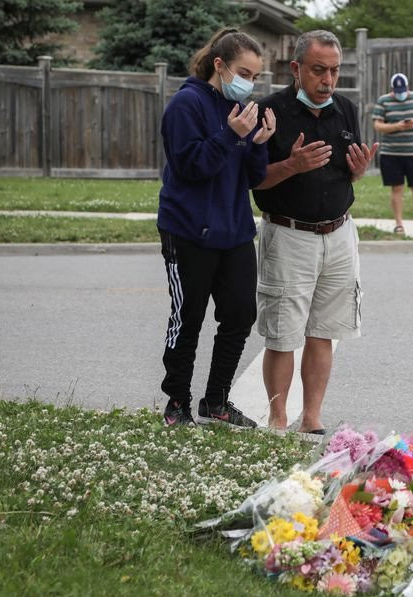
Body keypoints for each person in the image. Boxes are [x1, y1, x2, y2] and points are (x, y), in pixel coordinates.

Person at [253, 30, 378, 435]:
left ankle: (311, 417)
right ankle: (277, 418)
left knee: (324, 332)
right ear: (296, 69)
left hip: (339, 235)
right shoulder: (270, 111)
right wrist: (291, 166)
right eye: (318, 70)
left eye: (335, 71)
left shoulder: (345, 108)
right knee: (283, 334)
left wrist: (359, 171)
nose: (327, 80)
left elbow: (349, 170)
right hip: (289, 236)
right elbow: (253, 181)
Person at [157, 28, 275, 428]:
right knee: (187, 317)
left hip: (235, 230)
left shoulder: (242, 112)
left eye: (256, 77)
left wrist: (258, 141)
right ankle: (177, 403)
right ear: (220, 66)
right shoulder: (185, 105)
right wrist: (231, 134)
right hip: (188, 229)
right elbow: (191, 167)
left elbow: (250, 178)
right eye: (245, 72)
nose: (250, 83)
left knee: (240, 314)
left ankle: (216, 401)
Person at [372, 73, 413, 238]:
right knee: (396, 188)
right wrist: (397, 126)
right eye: (397, 90)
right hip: (391, 153)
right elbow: (378, 125)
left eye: (403, 90)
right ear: (392, 89)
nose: (400, 93)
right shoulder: (383, 100)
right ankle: (399, 224)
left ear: (407, 87)